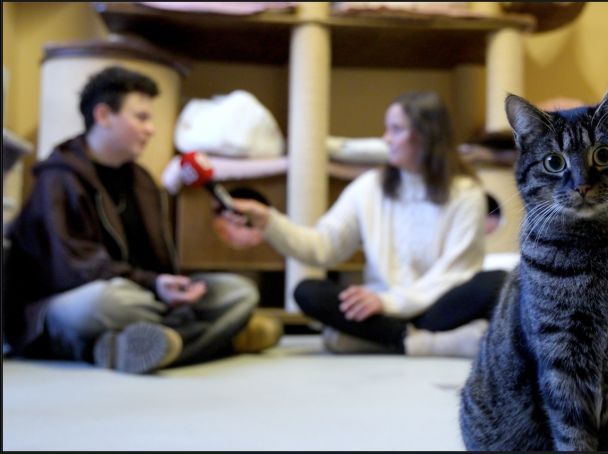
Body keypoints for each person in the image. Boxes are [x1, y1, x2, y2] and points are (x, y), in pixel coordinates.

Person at [2, 65, 282, 374]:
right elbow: (75, 271)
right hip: (72, 302)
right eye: (141, 117)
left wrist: (172, 286)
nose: (151, 129)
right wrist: (154, 284)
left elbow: (159, 265)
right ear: (103, 115)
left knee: (239, 291)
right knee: (108, 302)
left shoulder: (143, 181)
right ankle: (223, 338)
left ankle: (122, 347)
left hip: (145, 295)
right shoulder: (58, 180)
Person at [218, 91, 507, 357]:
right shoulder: (368, 187)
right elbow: (323, 246)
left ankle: (371, 339)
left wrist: (390, 302)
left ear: (426, 135)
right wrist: (268, 220)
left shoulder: (467, 193)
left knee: (497, 282)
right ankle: (428, 343)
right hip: (378, 310)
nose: (386, 139)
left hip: (435, 306)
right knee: (307, 291)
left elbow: (455, 273)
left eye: (396, 129)